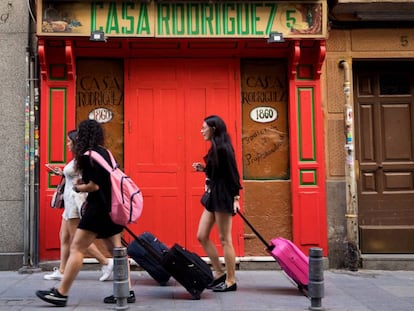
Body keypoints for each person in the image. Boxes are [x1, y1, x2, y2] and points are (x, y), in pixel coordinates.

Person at [36, 120, 135, 307]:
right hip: (111, 207)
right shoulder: (105, 152)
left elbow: (94, 185)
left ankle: (61, 293)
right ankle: (126, 291)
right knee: (118, 251)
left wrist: (79, 187)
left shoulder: (88, 156)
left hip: (97, 209)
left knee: (77, 248)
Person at [44, 130, 113, 282]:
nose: (67, 144)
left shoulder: (83, 159)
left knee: (77, 238)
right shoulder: (76, 159)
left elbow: (85, 179)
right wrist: (61, 173)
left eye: (69, 141)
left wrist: (72, 180)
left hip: (75, 201)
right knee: (64, 235)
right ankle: (62, 270)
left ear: (76, 142)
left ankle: (106, 262)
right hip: (69, 202)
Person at [192, 115, 242, 292]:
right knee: (202, 235)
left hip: (223, 196)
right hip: (214, 195)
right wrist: (204, 169)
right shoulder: (215, 148)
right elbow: (218, 173)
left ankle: (231, 280)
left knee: (225, 239)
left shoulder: (223, 149)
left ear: (213, 128)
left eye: (204, 127)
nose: (201, 130)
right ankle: (219, 272)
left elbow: (234, 175)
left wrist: (236, 198)